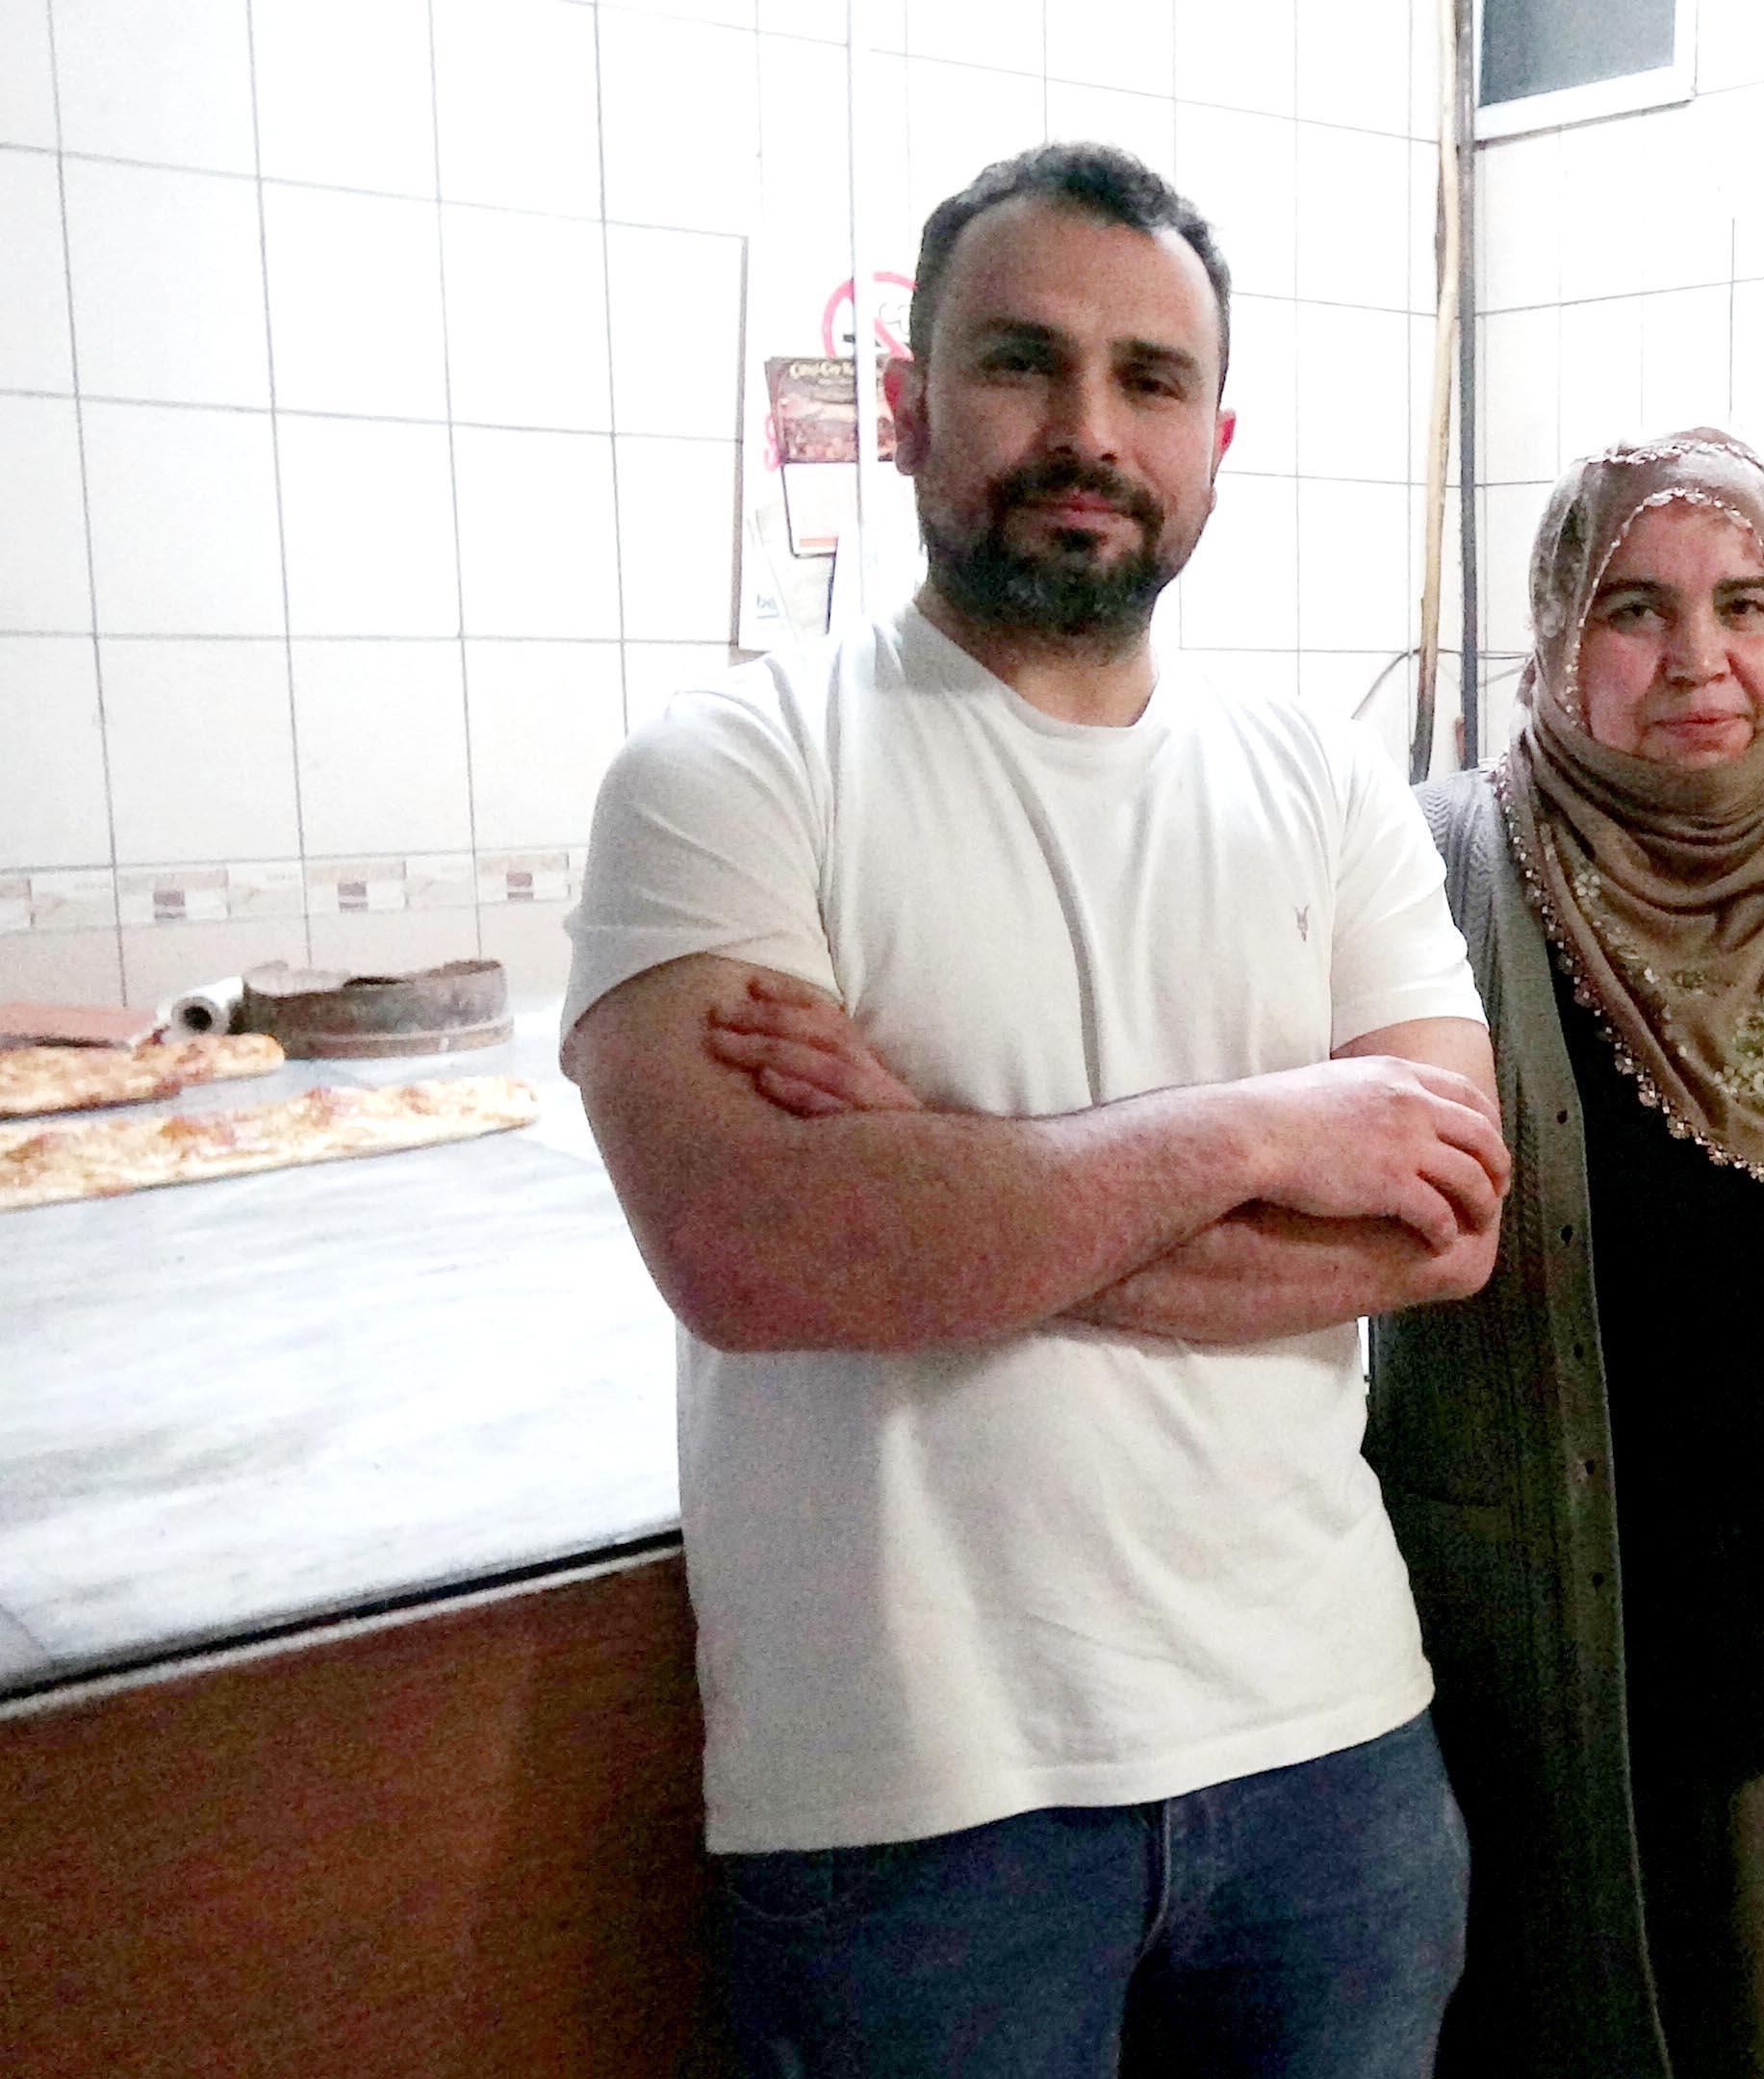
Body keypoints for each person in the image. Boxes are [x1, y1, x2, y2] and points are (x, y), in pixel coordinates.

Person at [561, 142, 1503, 2078]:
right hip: (919, 1799)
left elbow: (1446, 1223)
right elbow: (759, 1251)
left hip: (1332, 1755)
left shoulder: (1325, 787)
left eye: (1149, 379)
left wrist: (935, 1175)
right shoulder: (730, 770)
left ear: (1215, 442)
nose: (1088, 429)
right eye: (1023, 362)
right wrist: (1258, 1132)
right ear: (911, 408)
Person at [1367, 428, 1764, 2079]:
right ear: (1556, 632)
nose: (1699, 660)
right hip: (1559, 1646)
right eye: (1635, 608)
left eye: (1747, 604)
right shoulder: (1433, 870)